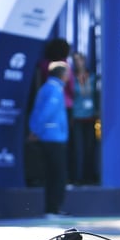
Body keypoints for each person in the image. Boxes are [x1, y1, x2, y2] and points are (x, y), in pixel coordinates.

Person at [29, 61, 70, 217]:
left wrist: (34, 129)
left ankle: (52, 209)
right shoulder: (54, 89)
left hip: (50, 137)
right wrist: (36, 130)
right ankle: (53, 209)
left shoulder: (47, 88)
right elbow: (46, 112)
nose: (68, 77)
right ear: (62, 75)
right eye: (67, 74)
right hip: (53, 138)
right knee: (57, 175)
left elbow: (37, 111)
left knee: (53, 174)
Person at [69, 51, 100, 185]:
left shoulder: (92, 77)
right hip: (77, 118)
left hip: (90, 117)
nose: (78, 62)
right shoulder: (71, 78)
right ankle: (77, 177)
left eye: (80, 59)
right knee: (78, 149)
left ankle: (89, 176)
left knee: (89, 148)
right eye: (75, 60)